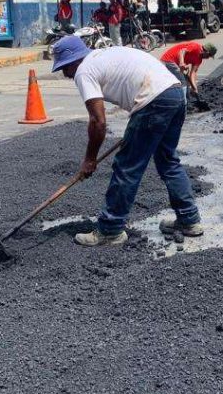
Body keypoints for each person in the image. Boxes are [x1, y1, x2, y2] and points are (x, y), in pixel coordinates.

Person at [51, 36, 202, 246]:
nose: (65, 74)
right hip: (175, 93)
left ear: (73, 62)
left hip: (153, 99)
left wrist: (90, 159)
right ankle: (189, 220)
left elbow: (97, 121)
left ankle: (110, 229)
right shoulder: (107, 54)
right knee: (168, 161)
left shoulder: (84, 70)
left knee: (127, 167)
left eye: (64, 68)